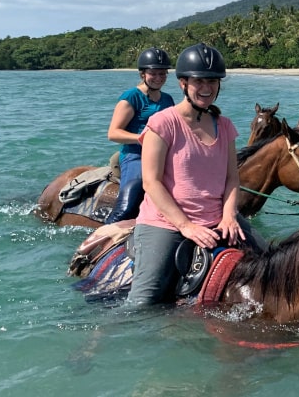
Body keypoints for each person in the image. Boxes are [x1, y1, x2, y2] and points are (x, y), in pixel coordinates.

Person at [127, 43, 262, 306]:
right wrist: (186, 226)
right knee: (143, 301)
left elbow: (232, 179)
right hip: (166, 223)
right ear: (183, 83)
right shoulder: (162, 123)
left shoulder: (225, 126)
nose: (207, 88)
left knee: (272, 264)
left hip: (217, 219)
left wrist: (229, 216)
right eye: (199, 81)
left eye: (212, 81)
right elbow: (151, 183)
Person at [104, 48, 176, 224]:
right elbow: (113, 133)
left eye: (162, 73)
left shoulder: (168, 99)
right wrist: (141, 138)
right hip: (136, 155)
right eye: (153, 73)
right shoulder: (131, 97)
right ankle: (104, 234)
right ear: (143, 74)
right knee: (128, 204)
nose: (158, 78)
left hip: (164, 154)